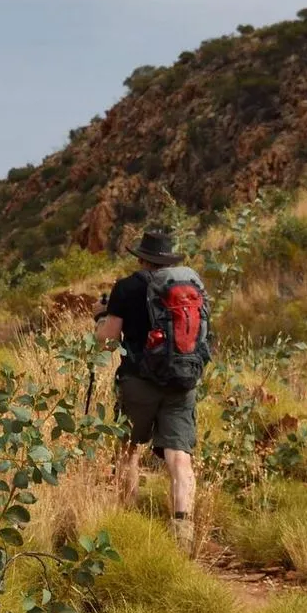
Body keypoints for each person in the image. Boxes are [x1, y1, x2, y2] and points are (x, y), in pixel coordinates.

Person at [95, 228, 212, 554]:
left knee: (129, 450)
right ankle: (182, 534)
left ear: (142, 258)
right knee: (179, 458)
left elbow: (107, 340)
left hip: (137, 382)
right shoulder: (189, 286)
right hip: (181, 381)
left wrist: (100, 318)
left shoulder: (127, 287)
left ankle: (129, 521)